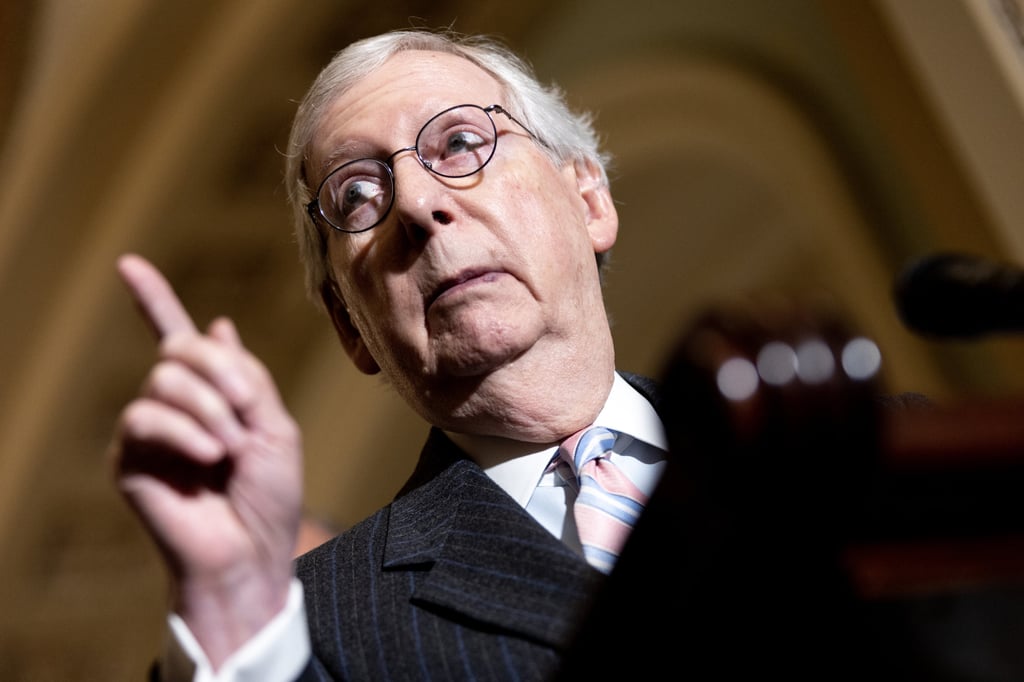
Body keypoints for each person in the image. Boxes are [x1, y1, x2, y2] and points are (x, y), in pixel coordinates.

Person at [111, 27, 669, 681]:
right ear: (350, 325)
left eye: (460, 143)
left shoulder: (797, 443)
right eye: (358, 195)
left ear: (589, 199)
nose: (417, 202)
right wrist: (234, 610)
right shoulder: (307, 631)